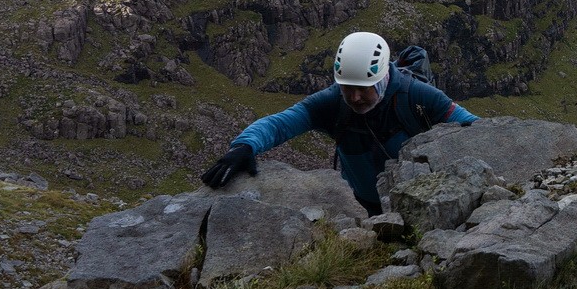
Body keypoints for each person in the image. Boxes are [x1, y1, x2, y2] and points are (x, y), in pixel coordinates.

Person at [201, 31, 478, 216]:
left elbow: (475, 130)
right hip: (362, 206)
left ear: (382, 78)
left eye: (364, 88)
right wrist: (245, 145)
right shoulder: (332, 102)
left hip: (421, 206)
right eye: (347, 87)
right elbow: (279, 124)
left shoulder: (418, 95)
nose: (355, 98)